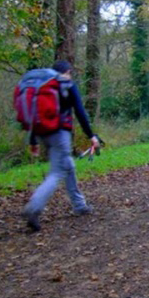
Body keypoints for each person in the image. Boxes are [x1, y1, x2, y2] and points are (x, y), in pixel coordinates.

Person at [21, 60, 100, 232]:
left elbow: (35, 114)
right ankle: (34, 207)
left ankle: (79, 205)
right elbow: (79, 112)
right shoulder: (65, 84)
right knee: (57, 172)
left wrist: (33, 141)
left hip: (43, 133)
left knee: (67, 164)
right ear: (67, 71)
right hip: (60, 134)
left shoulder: (42, 86)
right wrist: (91, 136)